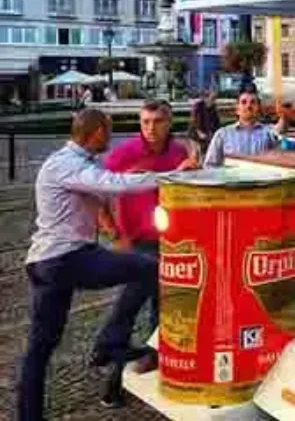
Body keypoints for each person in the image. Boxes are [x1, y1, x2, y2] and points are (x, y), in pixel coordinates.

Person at [17, 109, 167, 421]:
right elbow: (112, 184)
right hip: (66, 258)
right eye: (108, 132)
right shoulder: (66, 164)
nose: (110, 138)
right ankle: (110, 343)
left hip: (49, 263)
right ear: (97, 131)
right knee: (149, 267)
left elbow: (106, 186)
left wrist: (117, 226)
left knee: (40, 348)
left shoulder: (77, 163)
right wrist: (167, 177)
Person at [96, 100, 195, 407]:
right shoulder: (124, 154)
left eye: (157, 121)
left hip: (173, 242)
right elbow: (96, 194)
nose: (151, 128)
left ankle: (154, 361)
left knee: (164, 308)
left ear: (169, 122)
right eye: (145, 122)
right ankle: (112, 379)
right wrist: (114, 233)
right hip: (138, 245)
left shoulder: (179, 153)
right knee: (128, 308)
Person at [203, 90, 287, 167]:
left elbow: (280, 131)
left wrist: (283, 116)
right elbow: (210, 165)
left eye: (253, 102)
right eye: (244, 102)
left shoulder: (268, 132)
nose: (248, 106)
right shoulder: (222, 134)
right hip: (231, 182)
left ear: (259, 109)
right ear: (237, 110)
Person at [189, 89, 221, 155]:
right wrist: (199, 131)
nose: (214, 100)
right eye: (212, 98)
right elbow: (194, 120)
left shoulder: (213, 108)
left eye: (215, 98)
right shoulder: (198, 106)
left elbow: (216, 122)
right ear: (206, 97)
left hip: (206, 134)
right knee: (195, 153)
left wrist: (216, 132)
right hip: (195, 133)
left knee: (207, 151)